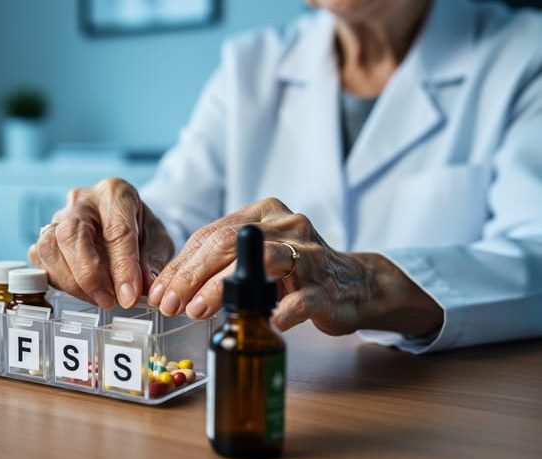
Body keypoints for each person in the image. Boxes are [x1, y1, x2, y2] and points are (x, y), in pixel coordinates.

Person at [29, 0, 542, 353]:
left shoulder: (524, 55)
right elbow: (176, 215)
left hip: (452, 416)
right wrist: (130, 234)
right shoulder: (250, 66)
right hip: (272, 385)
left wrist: (367, 283)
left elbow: (533, 258)